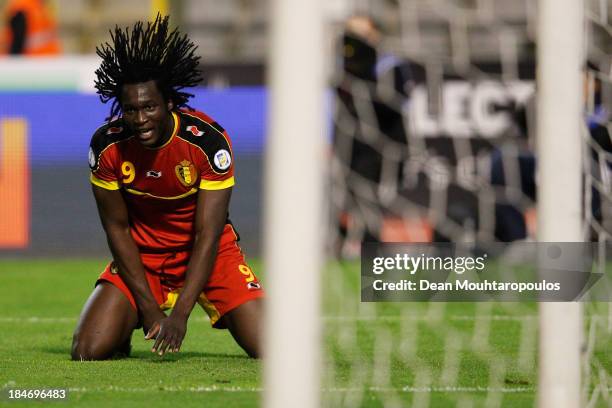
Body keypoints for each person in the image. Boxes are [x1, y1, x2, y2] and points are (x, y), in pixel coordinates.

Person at [71, 15, 263, 360]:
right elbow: (116, 227)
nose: (140, 119)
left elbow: (208, 233)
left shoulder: (207, 143)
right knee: (87, 350)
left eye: (149, 107)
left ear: (169, 103)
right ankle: (122, 331)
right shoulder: (107, 147)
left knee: (272, 348)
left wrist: (180, 315)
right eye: (130, 110)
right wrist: (149, 310)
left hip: (209, 254)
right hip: (144, 257)